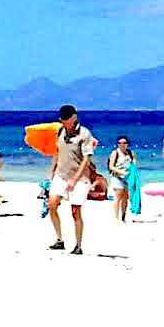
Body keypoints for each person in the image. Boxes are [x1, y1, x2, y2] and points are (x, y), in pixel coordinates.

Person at [46, 105, 96, 255]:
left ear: (74, 118)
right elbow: (58, 151)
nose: (64, 122)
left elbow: (86, 158)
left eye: (66, 119)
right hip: (61, 175)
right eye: (62, 119)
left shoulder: (85, 134)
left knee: (75, 211)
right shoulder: (60, 131)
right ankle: (59, 240)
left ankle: (78, 245)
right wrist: (52, 170)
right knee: (52, 204)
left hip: (79, 178)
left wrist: (75, 179)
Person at [106, 137, 135, 223]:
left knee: (125, 197)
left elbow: (133, 163)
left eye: (124, 143)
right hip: (117, 176)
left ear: (127, 144)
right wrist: (121, 172)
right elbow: (111, 166)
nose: (122, 145)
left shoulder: (130, 153)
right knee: (118, 196)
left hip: (127, 178)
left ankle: (123, 217)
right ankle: (116, 218)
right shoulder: (115, 153)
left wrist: (132, 173)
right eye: (120, 143)